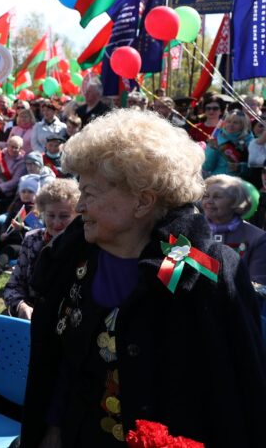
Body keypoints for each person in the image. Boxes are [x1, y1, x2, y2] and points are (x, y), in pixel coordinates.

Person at [22, 109, 266, 448]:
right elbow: (62, 361)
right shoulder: (73, 255)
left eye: (90, 193)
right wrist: (52, 428)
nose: (80, 207)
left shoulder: (204, 272)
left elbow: (238, 394)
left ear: (142, 202)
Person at [3, 178, 79, 320]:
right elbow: (13, 287)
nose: (56, 222)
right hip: (30, 317)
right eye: (50, 215)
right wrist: (21, 306)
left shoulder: (83, 245)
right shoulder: (32, 239)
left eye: (64, 216)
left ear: (77, 215)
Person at [202, 174, 266, 283]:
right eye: (206, 196)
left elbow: (258, 287)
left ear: (236, 202)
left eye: (217, 197)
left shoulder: (257, 238)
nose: (209, 201)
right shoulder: (191, 229)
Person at [203, 110, 252, 178]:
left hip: (239, 183)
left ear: (243, 125)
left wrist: (240, 167)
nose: (231, 125)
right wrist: (212, 149)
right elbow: (207, 167)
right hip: (217, 180)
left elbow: (255, 169)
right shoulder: (217, 138)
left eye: (235, 123)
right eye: (228, 122)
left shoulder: (250, 141)